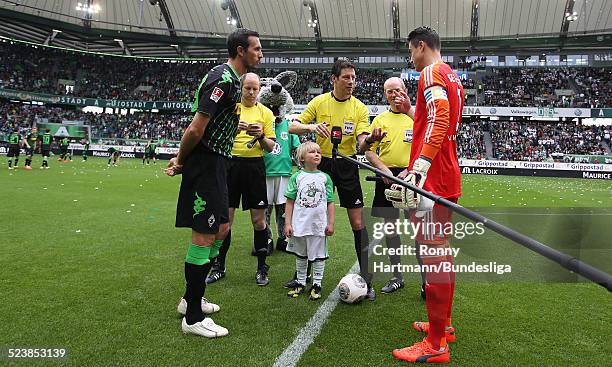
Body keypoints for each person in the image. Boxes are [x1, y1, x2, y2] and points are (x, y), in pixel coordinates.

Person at [164, 28, 262, 338]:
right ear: (239, 50)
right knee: (204, 236)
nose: (260, 54)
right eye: (256, 49)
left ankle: (191, 298)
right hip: (206, 163)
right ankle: (192, 317)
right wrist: (180, 161)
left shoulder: (234, 82)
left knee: (221, 228)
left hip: (220, 164)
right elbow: (196, 128)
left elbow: (220, 120)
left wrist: (240, 123)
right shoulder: (221, 80)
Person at [387, 26, 464, 364]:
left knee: (433, 254)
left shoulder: (431, 72)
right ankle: (442, 327)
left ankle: (436, 344)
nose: (410, 57)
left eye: (410, 51)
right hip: (447, 171)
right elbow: (439, 120)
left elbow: (439, 118)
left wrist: (418, 166)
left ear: (421, 46)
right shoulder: (451, 75)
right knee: (440, 251)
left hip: (433, 176)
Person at [289, 59, 375, 299]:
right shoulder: (319, 102)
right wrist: (313, 127)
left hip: (347, 164)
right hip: (320, 165)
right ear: (334, 79)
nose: (351, 82)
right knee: (308, 219)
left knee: (358, 222)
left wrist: (368, 141)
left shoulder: (359, 108)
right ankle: (301, 276)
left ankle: (368, 279)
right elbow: (293, 126)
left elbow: (361, 142)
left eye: (354, 78)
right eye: (346, 77)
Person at [206, 72, 276, 286]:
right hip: (230, 164)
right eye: (248, 88)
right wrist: (235, 128)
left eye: (255, 88)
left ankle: (262, 268)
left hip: (255, 167)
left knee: (259, 220)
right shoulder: (230, 109)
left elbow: (271, 147)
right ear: (241, 87)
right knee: (225, 221)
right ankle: (220, 265)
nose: (252, 92)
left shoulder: (265, 112)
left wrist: (261, 136)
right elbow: (214, 135)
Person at [358, 77, 414, 294]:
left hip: (413, 177)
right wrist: (382, 168)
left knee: (419, 230)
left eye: (398, 90)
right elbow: (366, 149)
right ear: (385, 94)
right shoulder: (380, 119)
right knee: (391, 228)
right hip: (386, 177)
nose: (394, 95)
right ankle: (397, 276)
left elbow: (427, 144)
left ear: (405, 91)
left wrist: (411, 170)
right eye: (389, 91)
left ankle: (427, 281)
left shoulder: (416, 116)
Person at [284, 142, 334, 300]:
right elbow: (290, 202)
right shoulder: (296, 177)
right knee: (301, 255)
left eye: (318, 151)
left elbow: (330, 202)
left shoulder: (325, 178)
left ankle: (317, 284)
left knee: (319, 256)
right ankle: (300, 282)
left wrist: (330, 223)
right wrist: (288, 223)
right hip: (300, 225)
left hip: (318, 227)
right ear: (302, 158)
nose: (317, 154)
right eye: (312, 152)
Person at [263, 111, 301, 254]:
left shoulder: (289, 126)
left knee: (283, 210)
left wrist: (303, 168)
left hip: (285, 174)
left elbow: (297, 150)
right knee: (264, 210)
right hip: (264, 173)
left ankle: (283, 239)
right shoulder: (264, 122)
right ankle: (266, 239)